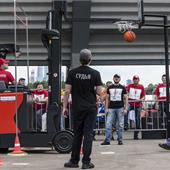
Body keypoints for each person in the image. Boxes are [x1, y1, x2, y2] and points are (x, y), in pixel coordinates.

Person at [63, 49, 103, 169]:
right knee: (88, 134)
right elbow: (99, 92)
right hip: (90, 107)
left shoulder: (72, 73)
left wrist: (64, 107)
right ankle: (86, 162)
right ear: (90, 59)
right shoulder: (95, 73)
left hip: (77, 108)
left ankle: (74, 161)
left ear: (79, 59)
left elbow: (67, 91)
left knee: (77, 134)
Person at [101, 74, 128, 145]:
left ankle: (120, 140)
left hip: (120, 108)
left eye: (118, 77)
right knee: (108, 124)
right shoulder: (109, 87)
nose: (116, 78)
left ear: (120, 79)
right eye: (115, 77)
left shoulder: (123, 87)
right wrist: (106, 108)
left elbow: (126, 98)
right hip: (111, 108)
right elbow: (107, 98)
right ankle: (107, 140)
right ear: (113, 78)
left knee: (120, 124)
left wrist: (126, 108)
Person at [127, 75, 145, 140]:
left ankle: (136, 134)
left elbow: (143, 96)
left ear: (138, 80)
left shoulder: (141, 86)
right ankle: (126, 125)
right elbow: (126, 94)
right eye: (134, 79)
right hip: (130, 104)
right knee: (125, 112)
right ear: (133, 80)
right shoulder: (129, 86)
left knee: (137, 119)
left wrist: (141, 99)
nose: (135, 80)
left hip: (138, 105)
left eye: (136, 79)